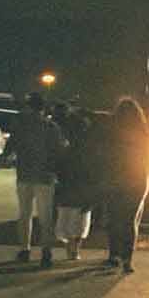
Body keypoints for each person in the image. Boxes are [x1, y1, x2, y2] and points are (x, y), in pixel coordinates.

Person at [2, 92, 65, 266]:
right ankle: (46, 251)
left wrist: (7, 156)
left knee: (24, 214)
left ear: (29, 107)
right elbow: (59, 150)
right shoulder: (51, 127)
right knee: (46, 216)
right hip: (45, 176)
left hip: (24, 174)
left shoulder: (21, 126)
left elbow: (10, 147)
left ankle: (25, 249)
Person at [103, 97, 149, 273]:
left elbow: (105, 157)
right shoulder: (143, 133)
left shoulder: (111, 131)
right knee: (131, 221)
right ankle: (127, 259)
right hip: (138, 178)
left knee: (114, 218)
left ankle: (113, 255)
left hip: (115, 177)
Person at [54, 105, 96, 260]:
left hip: (67, 188)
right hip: (82, 189)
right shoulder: (88, 148)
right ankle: (74, 249)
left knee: (66, 220)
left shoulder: (65, 147)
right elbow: (92, 172)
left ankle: (71, 248)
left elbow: (58, 167)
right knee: (79, 222)